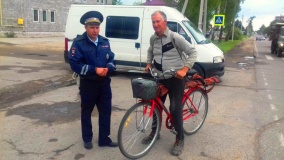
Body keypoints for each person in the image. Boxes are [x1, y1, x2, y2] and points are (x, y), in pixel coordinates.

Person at [144, 10, 198, 156]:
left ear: (165, 22)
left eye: (157, 21)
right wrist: (149, 63)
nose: (155, 24)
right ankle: (155, 133)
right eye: (153, 22)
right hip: (160, 77)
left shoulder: (175, 37)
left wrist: (185, 69)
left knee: (174, 108)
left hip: (176, 79)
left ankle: (180, 138)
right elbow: (150, 51)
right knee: (155, 104)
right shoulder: (153, 39)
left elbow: (193, 52)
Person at [68, 11, 117, 149]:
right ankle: (87, 138)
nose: (95, 30)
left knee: (106, 111)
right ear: (86, 27)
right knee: (87, 111)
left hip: (104, 84)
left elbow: (111, 58)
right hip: (88, 84)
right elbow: (74, 64)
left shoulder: (104, 42)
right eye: (92, 27)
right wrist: (94, 69)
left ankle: (104, 139)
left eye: (97, 27)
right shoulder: (78, 43)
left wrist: (109, 67)